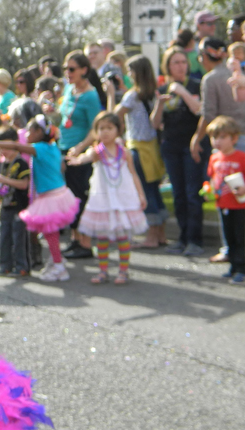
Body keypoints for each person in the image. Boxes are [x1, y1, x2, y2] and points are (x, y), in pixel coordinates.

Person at [0, 115, 80, 282]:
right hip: (61, 192)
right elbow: (62, 167)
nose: (27, 134)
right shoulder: (53, 148)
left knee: (50, 232)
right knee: (52, 232)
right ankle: (56, 258)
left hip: (50, 196)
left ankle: (59, 266)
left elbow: (17, 146)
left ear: (39, 132)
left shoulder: (40, 148)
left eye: (30, 130)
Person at [67, 112, 147, 284]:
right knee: (102, 237)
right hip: (103, 200)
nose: (105, 132)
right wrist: (77, 159)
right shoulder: (97, 152)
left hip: (122, 198)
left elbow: (133, 174)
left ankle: (123, 271)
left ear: (118, 130)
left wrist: (140, 194)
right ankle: (103, 271)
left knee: (122, 236)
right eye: (101, 128)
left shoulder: (125, 152)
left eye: (109, 128)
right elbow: (85, 157)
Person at [190, 37, 245, 264]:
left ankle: (230, 249)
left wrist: (197, 137)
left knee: (228, 199)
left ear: (204, 56)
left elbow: (209, 114)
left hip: (228, 145)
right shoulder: (236, 75)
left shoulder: (211, 78)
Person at [151, 46, 205, 256]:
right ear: (168, 66)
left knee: (193, 194)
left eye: (183, 62)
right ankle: (182, 238)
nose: (181, 66)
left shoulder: (196, 85)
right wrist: (159, 105)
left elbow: (199, 110)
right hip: (170, 145)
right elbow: (155, 124)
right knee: (178, 194)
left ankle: (195, 240)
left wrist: (182, 92)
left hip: (191, 146)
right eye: (176, 62)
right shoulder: (163, 88)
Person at [113, 55, 168, 248]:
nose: (128, 75)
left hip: (137, 147)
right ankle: (160, 233)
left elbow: (114, 116)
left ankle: (151, 235)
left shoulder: (132, 95)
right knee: (154, 189)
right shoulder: (153, 93)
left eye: (130, 71)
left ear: (137, 73)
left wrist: (112, 94)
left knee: (144, 191)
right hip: (152, 147)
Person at [60, 51, 103, 259]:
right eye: (65, 69)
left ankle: (85, 243)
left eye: (71, 69)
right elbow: (64, 116)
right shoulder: (69, 90)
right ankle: (75, 239)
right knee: (69, 196)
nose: (68, 73)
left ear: (84, 70)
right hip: (64, 147)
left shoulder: (91, 95)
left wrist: (80, 147)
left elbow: (96, 128)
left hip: (79, 152)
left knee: (79, 195)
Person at [205, 116, 245, 284]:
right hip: (223, 204)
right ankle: (234, 266)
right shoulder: (215, 158)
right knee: (229, 237)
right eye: (214, 137)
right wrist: (209, 188)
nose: (217, 141)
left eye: (222, 137)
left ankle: (242, 268)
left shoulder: (241, 157)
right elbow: (213, 178)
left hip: (240, 205)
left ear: (234, 138)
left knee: (241, 237)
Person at [0, 126, 31, 278]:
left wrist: (5, 180)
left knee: (19, 238)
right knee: (4, 237)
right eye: (1, 147)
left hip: (19, 207)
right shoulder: (1, 163)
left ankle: (22, 267)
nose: (4, 150)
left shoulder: (21, 162)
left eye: (7, 146)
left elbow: (24, 184)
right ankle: (5, 266)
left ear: (16, 143)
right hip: (4, 206)